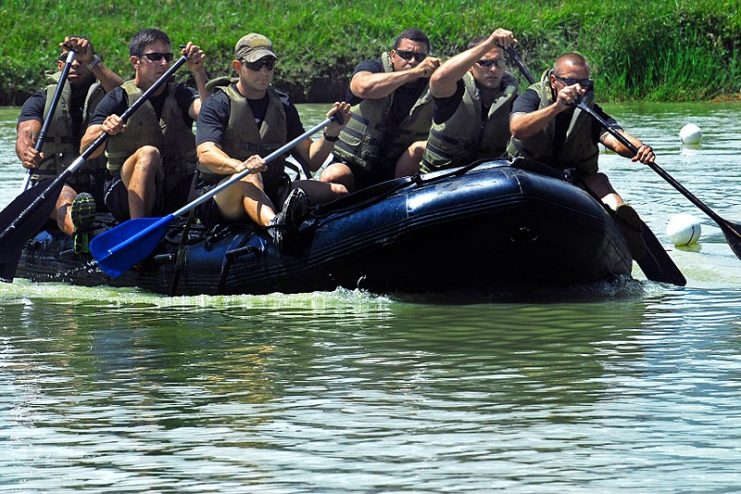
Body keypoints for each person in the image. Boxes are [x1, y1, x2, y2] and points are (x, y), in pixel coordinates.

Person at [195, 33, 351, 251]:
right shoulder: (218, 103)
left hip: (273, 189)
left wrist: (331, 132)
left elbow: (312, 160)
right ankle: (279, 229)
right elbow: (205, 153)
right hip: (223, 197)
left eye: (269, 64)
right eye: (256, 65)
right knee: (251, 176)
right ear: (238, 66)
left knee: (338, 191)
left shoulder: (283, 104)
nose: (264, 72)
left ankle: (340, 242)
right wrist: (240, 166)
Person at [508, 52, 655, 258]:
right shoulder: (532, 97)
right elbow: (517, 128)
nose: (578, 89)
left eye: (584, 82)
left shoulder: (590, 111)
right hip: (530, 176)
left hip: (572, 179)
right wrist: (558, 106)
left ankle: (622, 224)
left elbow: (616, 139)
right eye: (570, 82)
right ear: (554, 81)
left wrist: (640, 148)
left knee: (599, 180)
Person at [81, 28, 208, 224]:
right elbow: (86, 150)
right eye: (155, 57)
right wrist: (104, 129)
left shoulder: (181, 94)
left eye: (168, 56)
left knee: (210, 162)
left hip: (174, 189)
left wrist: (198, 72)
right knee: (148, 153)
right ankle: (138, 229)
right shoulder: (118, 98)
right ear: (136, 62)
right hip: (123, 193)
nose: (164, 63)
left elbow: (209, 116)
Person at [15, 36, 123, 253]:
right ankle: (82, 235)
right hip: (55, 183)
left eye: (81, 60)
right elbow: (25, 132)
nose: (75, 64)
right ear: (60, 65)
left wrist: (93, 60)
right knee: (62, 195)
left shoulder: (108, 96)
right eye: (68, 59)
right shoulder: (40, 99)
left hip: (98, 184)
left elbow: (130, 96)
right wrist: (26, 151)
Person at [319, 28, 441, 191]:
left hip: (398, 171)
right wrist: (414, 73)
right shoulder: (373, 67)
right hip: (353, 164)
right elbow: (362, 87)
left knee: (419, 149)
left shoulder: (436, 84)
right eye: (405, 55)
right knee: (333, 176)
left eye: (419, 57)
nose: (412, 61)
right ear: (392, 55)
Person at [395, 29, 519, 177]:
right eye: (485, 63)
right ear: (471, 65)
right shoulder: (454, 89)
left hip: (485, 180)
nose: (493, 69)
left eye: (499, 63)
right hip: (439, 176)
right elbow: (438, 78)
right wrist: (488, 44)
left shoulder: (514, 99)